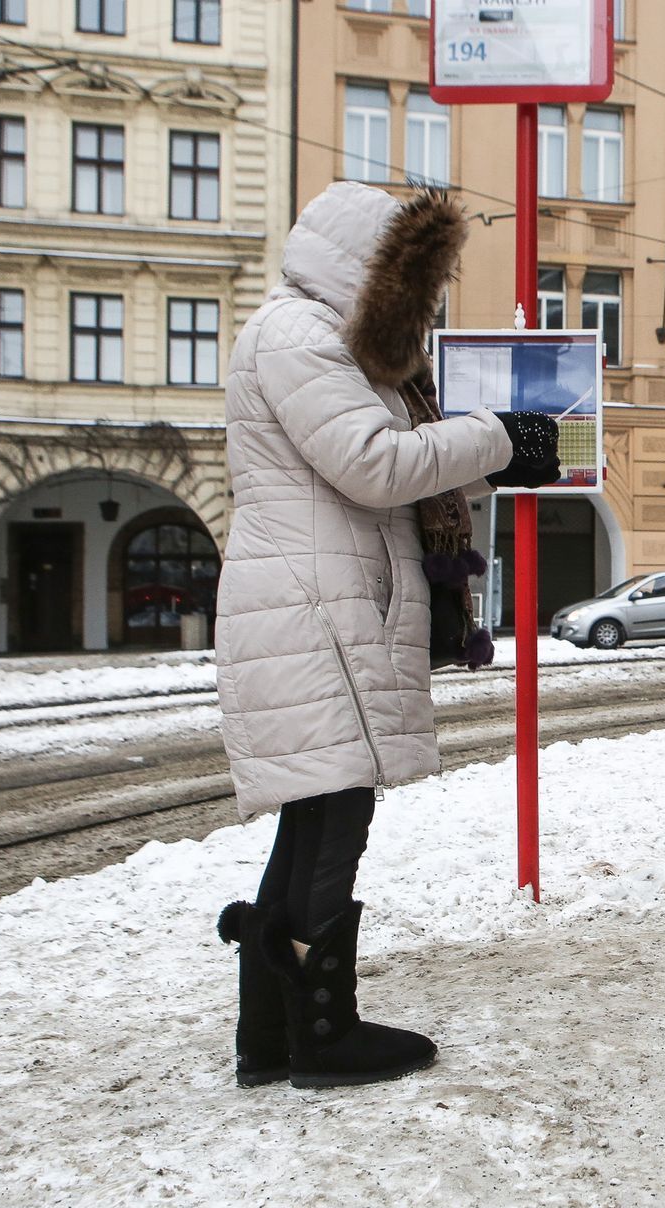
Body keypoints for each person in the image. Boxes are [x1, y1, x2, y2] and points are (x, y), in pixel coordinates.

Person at [213, 183, 562, 1089]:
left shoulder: (320, 341)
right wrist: (496, 436)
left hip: (319, 597)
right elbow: (374, 465)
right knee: (336, 810)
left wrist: (485, 452)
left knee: (317, 805)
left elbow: (383, 469)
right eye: (415, 287)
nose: (423, 309)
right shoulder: (300, 336)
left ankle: (271, 1033)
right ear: (373, 274)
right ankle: (322, 1035)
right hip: (313, 604)